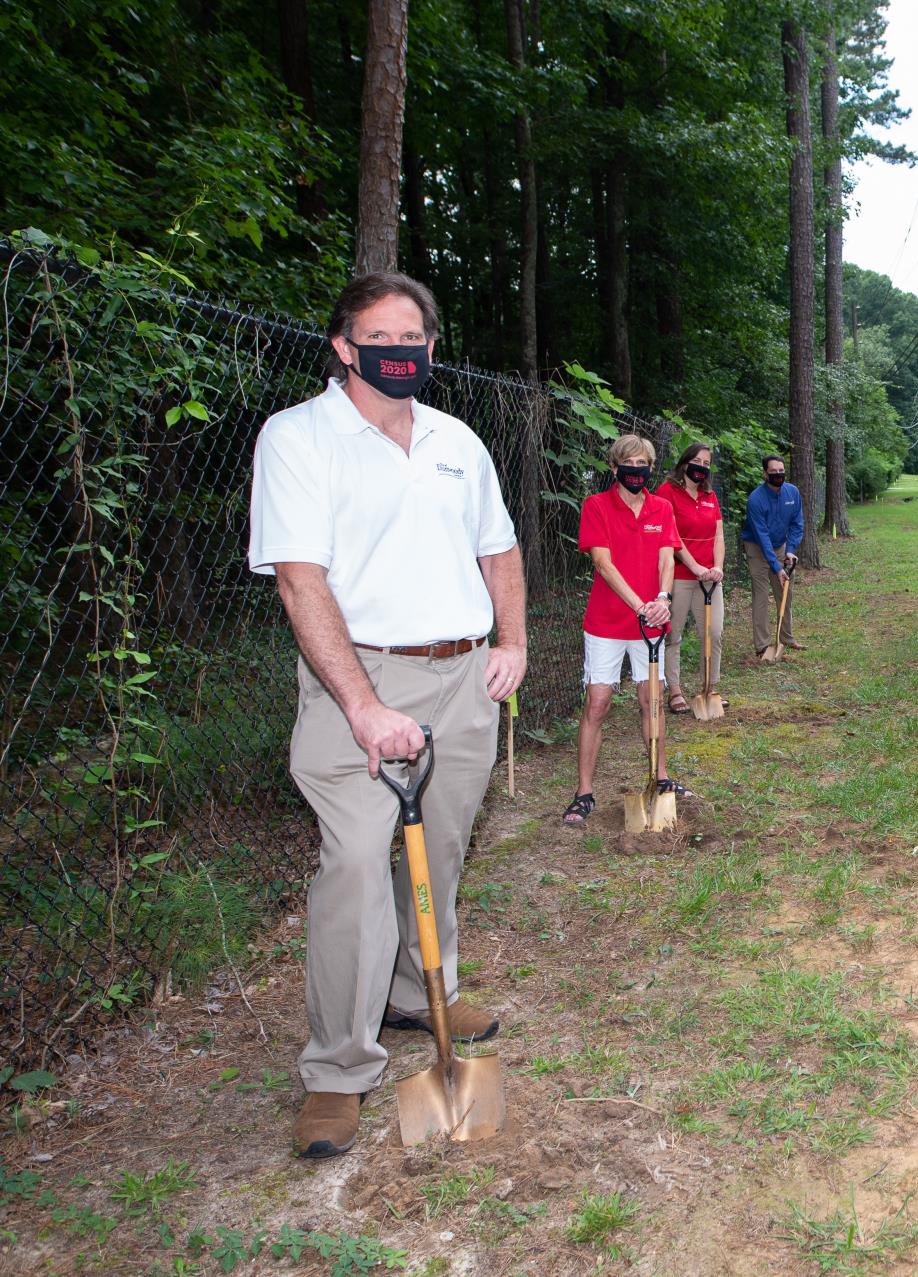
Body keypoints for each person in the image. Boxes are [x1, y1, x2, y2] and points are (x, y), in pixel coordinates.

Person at [249, 271, 526, 1158]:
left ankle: (416, 989)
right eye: (383, 339)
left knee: (438, 850)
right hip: (354, 681)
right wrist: (363, 707)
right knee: (361, 868)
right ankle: (337, 1069)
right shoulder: (299, 439)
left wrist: (511, 642)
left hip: (461, 676)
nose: (403, 354)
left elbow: (501, 546)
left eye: (417, 340)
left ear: (433, 349)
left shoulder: (456, 441)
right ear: (343, 346)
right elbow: (300, 578)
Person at [565, 435, 689, 826]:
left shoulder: (662, 508)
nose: (637, 472)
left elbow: (666, 557)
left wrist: (663, 599)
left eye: (643, 465)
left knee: (651, 699)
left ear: (651, 468)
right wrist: (640, 606)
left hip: (652, 620)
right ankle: (584, 791)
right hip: (607, 622)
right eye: (628, 465)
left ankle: (661, 776)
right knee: (597, 703)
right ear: (615, 468)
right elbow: (602, 563)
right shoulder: (596, 506)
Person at [656, 443, 726, 713]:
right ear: (685, 463)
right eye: (697, 461)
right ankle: (674, 690)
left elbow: (718, 535)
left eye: (707, 464)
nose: (701, 467)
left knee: (714, 632)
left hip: (710, 577)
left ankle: (710, 686)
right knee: (673, 635)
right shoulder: (667, 493)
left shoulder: (710, 495)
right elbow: (671, 537)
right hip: (679, 576)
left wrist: (716, 566)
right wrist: (695, 566)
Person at [743, 454, 806, 658]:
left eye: (781, 471)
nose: (778, 475)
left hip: (780, 546)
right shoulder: (756, 499)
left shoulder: (792, 493)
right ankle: (762, 645)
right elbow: (761, 537)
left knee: (785, 591)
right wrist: (776, 567)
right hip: (756, 548)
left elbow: (797, 523)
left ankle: (786, 638)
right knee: (761, 595)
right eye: (773, 472)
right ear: (765, 474)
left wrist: (790, 550)